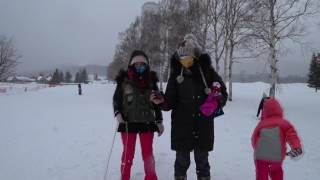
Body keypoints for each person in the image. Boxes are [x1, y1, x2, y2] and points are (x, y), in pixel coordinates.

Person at [151, 34, 228, 180]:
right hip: (182, 126)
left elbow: (222, 92)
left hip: (203, 125)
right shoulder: (175, 75)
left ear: (195, 55)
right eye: (182, 56)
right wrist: (161, 101)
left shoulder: (208, 72)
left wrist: (216, 100)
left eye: (187, 55)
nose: (184, 59)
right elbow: (169, 102)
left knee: (202, 161)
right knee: (181, 161)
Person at [113, 50, 164, 180]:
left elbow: (157, 103)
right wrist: (117, 113)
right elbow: (116, 99)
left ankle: (151, 177)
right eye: (137, 64)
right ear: (132, 65)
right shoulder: (123, 81)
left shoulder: (151, 81)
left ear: (146, 66)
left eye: (143, 64)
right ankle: (124, 177)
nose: (140, 66)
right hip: (128, 123)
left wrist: (159, 120)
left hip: (147, 123)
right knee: (127, 155)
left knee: (148, 155)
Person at [251, 98, 303, 180]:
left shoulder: (261, 124)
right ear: (279, 109)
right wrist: (296, 146)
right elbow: (292, 135)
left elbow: (254, 138)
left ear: (265, 111)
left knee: (261, 173)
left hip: (260, 155)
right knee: (276, 171)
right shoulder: (284, 123)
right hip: (276, 155)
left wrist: (256, 148)